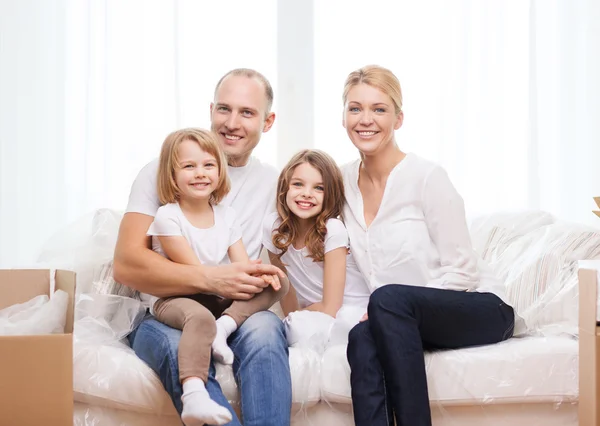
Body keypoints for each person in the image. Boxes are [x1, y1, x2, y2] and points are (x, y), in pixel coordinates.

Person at [113, 69, 292, 426]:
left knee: (266, 333)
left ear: (268, 121)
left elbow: (295, 250)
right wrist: (212, 279)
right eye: (224, 109)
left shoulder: (273, 183)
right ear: (211, 110)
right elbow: (127, 264)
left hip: (229, 311)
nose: (232, 123)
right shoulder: (162, 171)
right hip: (164, 310)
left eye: (247, 112)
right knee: (177, 344)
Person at [341, 65, 515, 426]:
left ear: (399, 119)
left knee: (388, 298)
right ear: (343, 116)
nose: (365, 119)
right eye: (355, 108)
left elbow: (462, 270)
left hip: (478, 307)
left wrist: (392, 309)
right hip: (397, 317)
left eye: (379, 109)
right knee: (360, 337)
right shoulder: (341, 183)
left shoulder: (426, 177)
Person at [145, 128, 288, 425]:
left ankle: (225, 326)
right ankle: (195, 394)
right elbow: (197, 274)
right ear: (172, 176)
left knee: (279, 282)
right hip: (179, 298)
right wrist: (233, 280)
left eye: (208, 165)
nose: (200, 173)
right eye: (189, 166)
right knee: (200, 319)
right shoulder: (168, 216)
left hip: (216, 295)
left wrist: (259, 274)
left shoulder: (226, 215)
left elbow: (240, 263)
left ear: (220, 172)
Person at [263, 150, 371, 346]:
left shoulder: (333, 230)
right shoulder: (273, 227)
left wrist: (293, 319)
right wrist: (292, 318)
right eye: (298, 184)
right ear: (284, 188)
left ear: (330, 194)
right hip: (313, 314)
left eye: (319, 188)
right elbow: (285, 289)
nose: (306, 193)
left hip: (350, 310)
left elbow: (331, 307)